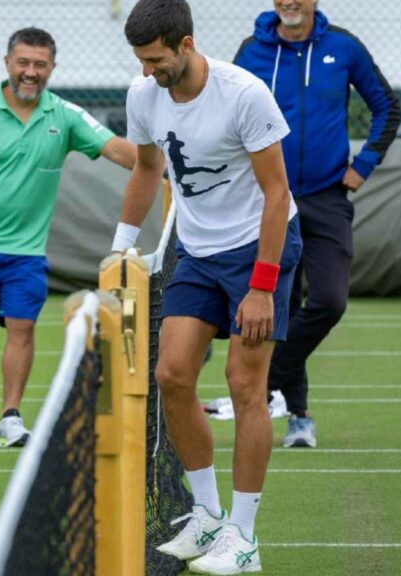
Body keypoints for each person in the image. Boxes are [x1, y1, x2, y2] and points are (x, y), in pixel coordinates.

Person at [111, 0, 303, 573]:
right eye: (141, 61)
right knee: (171, 374)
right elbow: (148, 169)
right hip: (195, 249)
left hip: (258, 249)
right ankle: (208, 516)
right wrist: (121, 246)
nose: (148, 71)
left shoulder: (243, 94)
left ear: (186, 44)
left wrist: (262, 288)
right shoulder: (143, 94)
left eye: (156, 59)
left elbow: (276, 193)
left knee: (245, 386)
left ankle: (243, 537)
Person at [0, 27, 137, 448]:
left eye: (39, 64)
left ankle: (10, 417)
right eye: (23, 62)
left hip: (26, 254)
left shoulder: (64, 115)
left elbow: (121, 151)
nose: (31, 72)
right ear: (8, 63)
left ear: (52, 68)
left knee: (22, 329)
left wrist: (175, 154)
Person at [234, 0, 401, 448]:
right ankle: (299, 418)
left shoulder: (343, 47)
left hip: (328, 197)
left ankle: (265, 380)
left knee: (328, 300)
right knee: (281, 305)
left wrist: (362, 166)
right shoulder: (251, 51)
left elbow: (388, 107)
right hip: (268, 199)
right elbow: (225, 115)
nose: (290, 2)